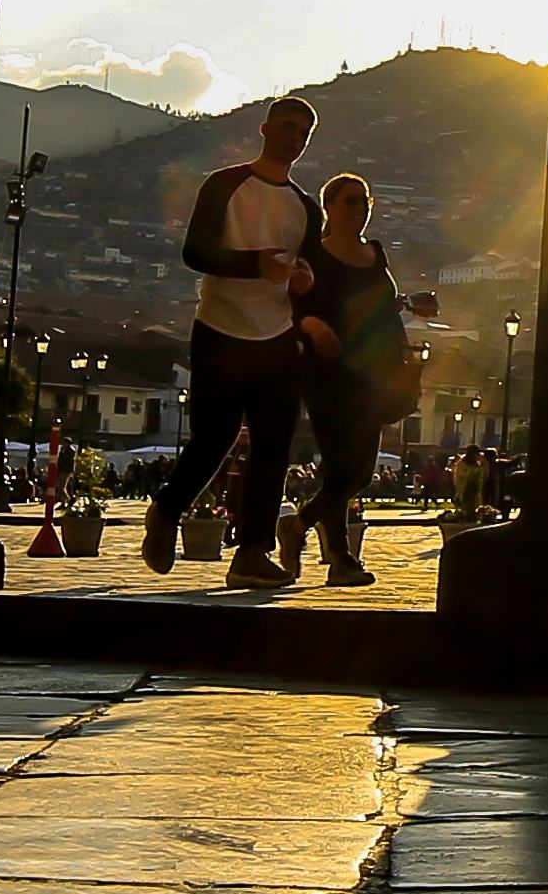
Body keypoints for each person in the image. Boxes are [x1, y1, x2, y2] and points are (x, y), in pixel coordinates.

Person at [151, 97, 319, 585]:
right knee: (215, 438)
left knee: (274, 446)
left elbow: (308, 270)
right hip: (220, 329)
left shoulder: (305, 207)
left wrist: (305, 281)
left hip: (277, 337)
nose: (295, 138)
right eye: (288, 127)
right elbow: (195, 252)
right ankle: (166, 510)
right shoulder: (225, 184)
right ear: (266, 129)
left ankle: (251, 553)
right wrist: (256, 264)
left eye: (304, 133)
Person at [281, 166, 413, 587]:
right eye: (350, 200)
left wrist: (409, 309)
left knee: (360, 474)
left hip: (374, 372)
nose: (360, 208)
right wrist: (312, 327)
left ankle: (298, 525)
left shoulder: (375, 254)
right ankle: (340, 557)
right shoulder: (313, 258)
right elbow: (291, 309)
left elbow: (379, 309)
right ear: (329, 208)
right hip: (328, 370)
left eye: (365, 200)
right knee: (341, 467)